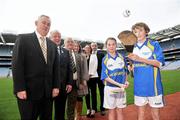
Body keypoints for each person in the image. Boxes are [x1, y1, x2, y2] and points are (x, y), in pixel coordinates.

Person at [12, 15, 60, 120]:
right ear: (36, 23)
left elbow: (55, 68)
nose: (46, 26)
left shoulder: (52, 45)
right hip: (28, 93)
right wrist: (20, 88)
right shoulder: (23, 39)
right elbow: (17, 65)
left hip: (47, 93)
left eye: (49, 24)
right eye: (43, 22)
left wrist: (56, 86)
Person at [128, 22, 165, 120]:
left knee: (155, 115)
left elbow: (159, 63)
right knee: (140, 115)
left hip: (154, 87)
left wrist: (140, 59)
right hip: (139, 87)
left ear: (146, 31)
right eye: (135, 32)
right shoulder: (133, 47)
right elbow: (132, 64)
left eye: (140, 30)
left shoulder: (154, 44)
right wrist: (131, 67)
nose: (138, 33)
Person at [101, 37, 129, 120]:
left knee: (120, 110)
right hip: (110, 89)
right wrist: (119, 84)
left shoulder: (122, 57)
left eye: (113, 44)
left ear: (116, 45)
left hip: (121, 89)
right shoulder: (105, 59)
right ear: (106, 46)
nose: (111, 46)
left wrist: (126, 81)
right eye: (109, 44)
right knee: (111, 110)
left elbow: (126, 71)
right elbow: (105, 77)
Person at [49, 30, 73, 120]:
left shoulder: (65, 51)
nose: (57, 38)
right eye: (55, 36)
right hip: (49, 87)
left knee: (60, 112)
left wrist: (70, 83)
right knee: (46, 112)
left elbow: (69, 69)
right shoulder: (45, 50)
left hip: (63, 87)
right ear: (50, 38)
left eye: (59, 36)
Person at [64, 38, 84, 120]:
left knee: (71, 105)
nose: (70, 43)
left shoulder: (77, 55)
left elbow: (80, 71)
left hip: (75, 83)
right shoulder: (60, 54)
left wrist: (81, 82)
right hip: (63, 84)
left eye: (71, 42)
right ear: (64, 44)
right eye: (68, 42)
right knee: (60, 106)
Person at [85, 42, 105, 117]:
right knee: (92, 93)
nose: (93, 47)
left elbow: (104, 66)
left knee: (101, 92)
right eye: (92, 46)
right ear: (90, 47)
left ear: (97, 46)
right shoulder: (88, 55)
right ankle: (94, 108)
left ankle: (102, 108)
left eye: (95, 45)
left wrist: (103, 76)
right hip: (91, 78)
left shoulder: (101, 54)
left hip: (100, 77)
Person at [73, 41, 89, 120]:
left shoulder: (83, 56)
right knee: (73, 98)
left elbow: (85, 69)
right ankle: (75, 114)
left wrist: (84, 80)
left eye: (77, 46)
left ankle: (78, 115)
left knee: (79, 97)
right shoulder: (69, 55)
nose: (76, 48)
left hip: (80, 79)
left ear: (79, 47)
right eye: (74, 46)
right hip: (72, 81)